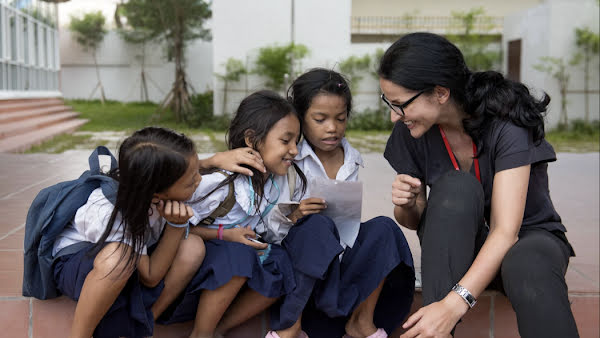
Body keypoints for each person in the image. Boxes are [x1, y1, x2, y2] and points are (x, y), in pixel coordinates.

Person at [378, 32, 579, 338]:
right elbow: (416, 221)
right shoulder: (413, 130)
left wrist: (454, 304)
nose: (394, 116)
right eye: (389, 104)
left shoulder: (505, 120)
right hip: (462, 250)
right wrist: (406, 205)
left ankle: (441, 320)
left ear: (440, 92)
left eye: (400, 104)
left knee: (528, 265)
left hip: (527, 240)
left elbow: (506, 231)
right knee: (455, 188)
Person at [264, 68, 415, 338]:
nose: (332, 128)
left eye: (340, 118)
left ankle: (361, 320)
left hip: (339, 265)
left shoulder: (351, 159)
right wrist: (295, 214)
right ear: (299, 118)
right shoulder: (289, 159)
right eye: (320, 119)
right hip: (298, 270)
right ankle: (290, 326)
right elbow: (265, 222)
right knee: (317, 226)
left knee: (384, 228)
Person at [164, 90, 302, 338]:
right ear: (251, 140)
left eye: (297, 142)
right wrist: (224, 235)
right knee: (239, 255)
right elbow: (172, 227)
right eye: (286, 141)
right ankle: (201, 333)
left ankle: (221, 328)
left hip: (227, 261)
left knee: (280, 261)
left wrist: (292, 217)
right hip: (195, 264)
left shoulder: (272, 184)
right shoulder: (220, 183)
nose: (294, 150)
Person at [52, 126, 206, 338]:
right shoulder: (109, 211)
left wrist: (215, 161)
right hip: (82, 263)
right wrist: (176, 226)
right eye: (191, 180)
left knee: (193, 247)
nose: (199, 180)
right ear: (155, 194)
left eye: (198, 170)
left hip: (133, 258)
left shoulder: (149, 187)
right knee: (118, 258)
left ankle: (143, 324)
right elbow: (150, 277)